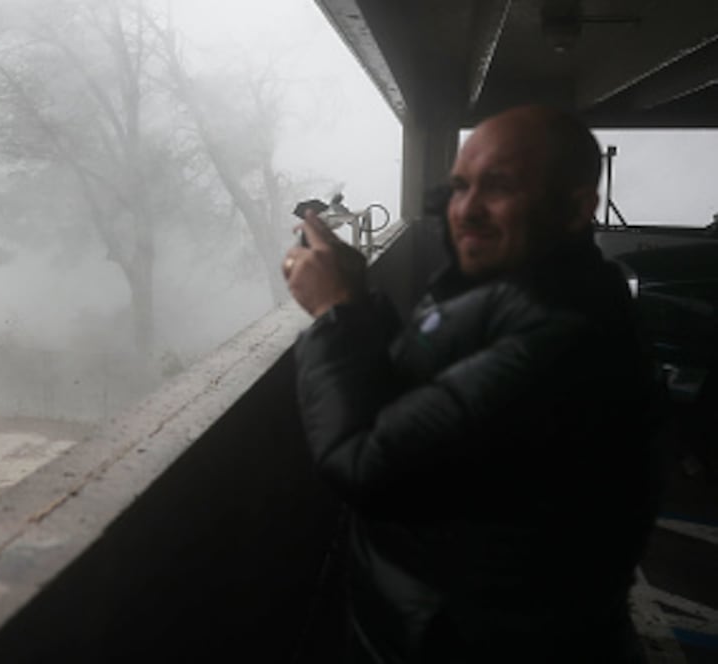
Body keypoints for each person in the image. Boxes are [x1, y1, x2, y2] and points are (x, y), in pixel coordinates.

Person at [283, 105, 661, 663]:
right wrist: (359, 302)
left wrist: (336, 313)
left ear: (577, 207)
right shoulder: (513, 290)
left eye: (499, 186)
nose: (466, 210)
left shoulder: (565, 337)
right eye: (459, 187)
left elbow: (363, 462)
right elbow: (426, 385)